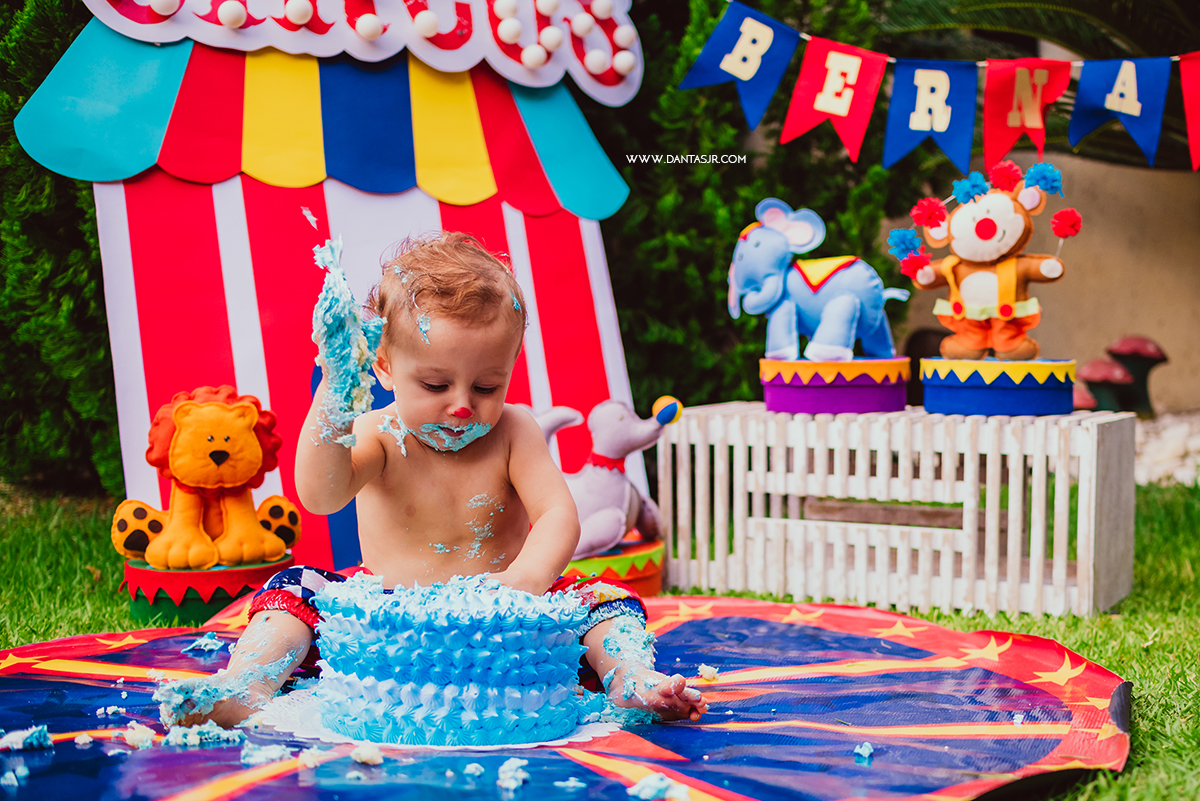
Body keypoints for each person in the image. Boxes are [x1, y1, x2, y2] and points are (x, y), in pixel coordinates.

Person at [161, 233, 707, 729]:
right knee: (294, 592)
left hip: (507, 611)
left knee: (606, 600)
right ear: (383, 367)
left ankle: (631, 679)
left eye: (488, 386)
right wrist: (332, 397)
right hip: (389, 613)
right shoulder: (378, 433)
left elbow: (557, 515)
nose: (463, 406)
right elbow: (320, 494)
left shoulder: (515, 431)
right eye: (435, 383)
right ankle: (246, 684)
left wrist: (526, 580)